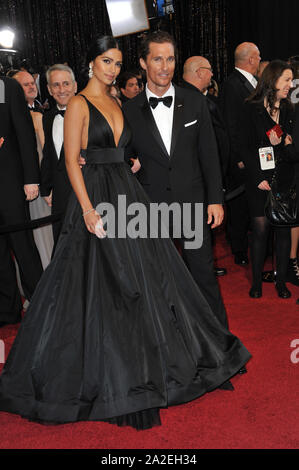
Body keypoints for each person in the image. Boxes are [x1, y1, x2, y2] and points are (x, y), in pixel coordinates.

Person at [0, 36, 250, 430]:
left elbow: (126, 149)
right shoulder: (79, 104)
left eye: (116, 63)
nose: (112, 69)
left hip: (129, 197)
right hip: (99, 201)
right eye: (105, 61)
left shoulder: (119, 103)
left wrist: (129, 163)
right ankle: (118, 376)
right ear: (91, 63)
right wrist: (85, 209)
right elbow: (71, 162)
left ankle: (176, 358)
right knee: (109, 286)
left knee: (152, 281)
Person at [123, 31, 230, 330]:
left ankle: (220, 346)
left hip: (193, 206)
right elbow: (122, 155)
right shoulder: (129, 110)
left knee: (203, 276)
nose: (165, 66)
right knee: (160, 281)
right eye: (157, 59)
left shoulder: (194, 101)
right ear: (143, 63)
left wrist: (215, 200)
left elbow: (209, 154)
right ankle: (172, 346)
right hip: (151, 208)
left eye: (170, 58)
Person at [241, 60, 296, 298]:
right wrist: (257, 177)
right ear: (272, 80)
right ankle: (256, 282)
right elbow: (244, 147)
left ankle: (281, 282)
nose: (290, 85)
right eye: (286, 79)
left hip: (284, 179)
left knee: (283, 232)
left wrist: (283, 145)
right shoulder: (251, 108)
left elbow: (292, 149)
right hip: (259, 180)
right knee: (260, 231)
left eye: (291, 80)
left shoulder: (291, 110)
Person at [0, 76, 43, 327]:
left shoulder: (7, 86)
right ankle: (8, 311)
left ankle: (40, 300)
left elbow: (24, 133)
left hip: (11, 183)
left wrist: (31, 179)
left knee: (23, 246)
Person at [182, 55, 230, 277]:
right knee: (196, 233)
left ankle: (202, 267)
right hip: (195, 181)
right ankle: (199, 271)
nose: (212, 74)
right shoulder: (192, 101)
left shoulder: (199, 99)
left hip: (203, 178)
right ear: (199, 72)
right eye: (209, 70)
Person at [219, 42, 261, 266]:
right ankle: (239, 249)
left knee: (252, 203)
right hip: (242, 159)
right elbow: (230, 126)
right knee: (239, 206)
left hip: (255, 156)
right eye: (258, 57)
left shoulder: (252, 82)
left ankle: (254, 246)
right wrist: (238, 158)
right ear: (251, 59)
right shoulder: (232, 84)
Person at [13, 70, 54, 269]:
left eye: (32, 83)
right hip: (29, 185)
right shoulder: (13, 119)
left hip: (46, 182)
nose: (31, 86)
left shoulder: (41, 113)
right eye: (24, 84)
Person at [40, 64, 77, 249]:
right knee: (63, 246)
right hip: (60, 193)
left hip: (87, 190)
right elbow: (49, 153)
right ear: (48, 89)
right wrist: (45, 188)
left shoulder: (91, 113)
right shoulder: (48, 117)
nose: (61, 90)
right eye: (56, 85)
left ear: (75, 86)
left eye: (65, 84)